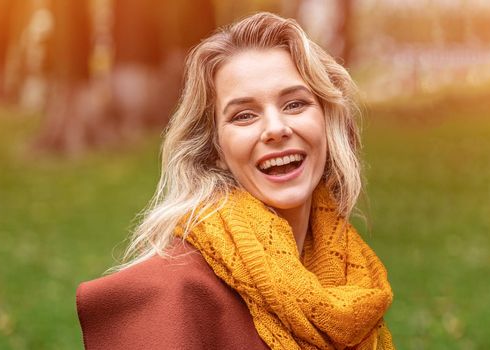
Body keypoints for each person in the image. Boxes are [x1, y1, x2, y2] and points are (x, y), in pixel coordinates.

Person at [76, 12, 394, 350]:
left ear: (326, 121)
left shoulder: (353, 280)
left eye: (295, 104)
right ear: (215, 149)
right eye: (244, 115)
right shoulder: (173, 294)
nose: (275, 128)